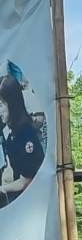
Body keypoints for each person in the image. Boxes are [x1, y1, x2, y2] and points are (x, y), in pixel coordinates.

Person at [0, 74, 45, 209]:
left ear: (12, 104)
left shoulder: (26, 135)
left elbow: (26, 181)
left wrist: (3, 188)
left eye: (1, 105)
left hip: (31, 204)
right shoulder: (10, 131)